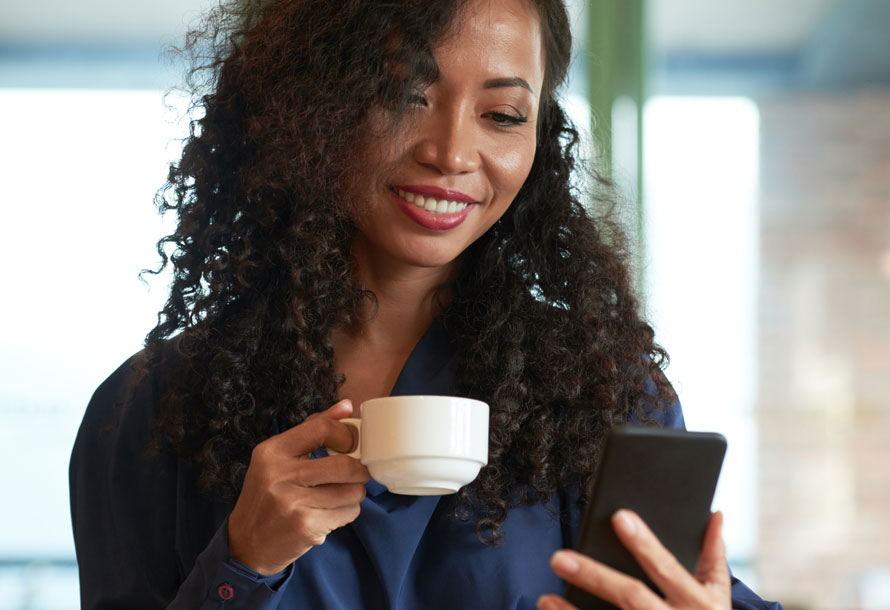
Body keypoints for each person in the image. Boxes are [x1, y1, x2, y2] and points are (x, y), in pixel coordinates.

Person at [69, 0, 783, 608]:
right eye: (404, 93)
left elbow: (677, 587)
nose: (451, 152)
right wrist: (240, 566)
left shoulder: (603, 393)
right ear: (314, 102)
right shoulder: (148, 410)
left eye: (502, 114)